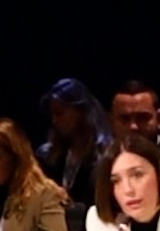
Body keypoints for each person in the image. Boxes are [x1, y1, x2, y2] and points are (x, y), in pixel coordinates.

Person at [36, 78, 112, 217]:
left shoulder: (104, 154)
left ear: (81, 111)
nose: (54, 121)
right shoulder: (48, 154)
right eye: (52, 114)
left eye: (59, 113)